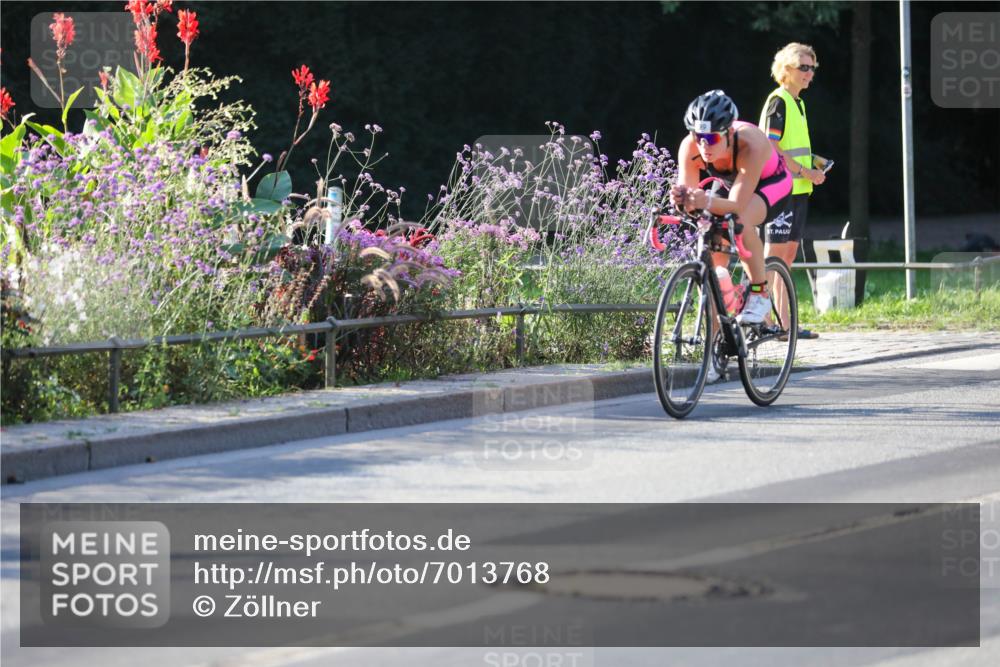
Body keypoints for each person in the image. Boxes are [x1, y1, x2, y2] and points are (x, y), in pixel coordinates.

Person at [670, 90, 793, 330]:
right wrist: (682, 199)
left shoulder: (751, 142)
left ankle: (760, 294)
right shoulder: (690, 147)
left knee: (739, 220)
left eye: (713, 139)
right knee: (715, 262)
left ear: (730, 133)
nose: (705, 145)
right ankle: (715, 347)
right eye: (699, 136)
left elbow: (736, 205)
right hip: (730, 185)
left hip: (771, 184)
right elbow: (690, 197)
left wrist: (702, 201)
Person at [759, 42, 825, 340]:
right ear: (786, 70)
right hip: (780, 190)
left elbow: (792, 147)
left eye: (812, 67)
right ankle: (761, 318)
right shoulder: (779, 101)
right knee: (772, 255)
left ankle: (785, 326)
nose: (809, 73)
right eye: (804, 67)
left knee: (788, 255)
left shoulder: (798, 102)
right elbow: (771, 147)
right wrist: (803, 171)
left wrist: (813, 168)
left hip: (798, 190)